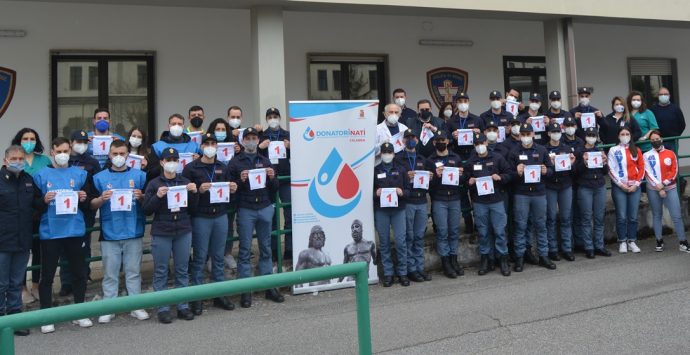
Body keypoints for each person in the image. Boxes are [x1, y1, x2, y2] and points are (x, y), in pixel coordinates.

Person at [32, 137, 91, 333]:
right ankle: (46, 316)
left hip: (74, 230)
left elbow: (87, 202)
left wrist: (83, 197)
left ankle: (80, 312)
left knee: (79, 273)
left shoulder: (80, 174)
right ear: (52, 152)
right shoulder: (41, 175)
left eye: (66, 150)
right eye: (59, 151)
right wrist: (43, 200)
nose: (63, 154)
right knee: (47, 276)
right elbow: (34, 205)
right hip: (51, 232)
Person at [90, 140, 149, 323]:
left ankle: (135, 305)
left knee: (133, 271)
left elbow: (149, 202)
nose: (118, 157)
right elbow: (91, 205)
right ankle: (110, 307)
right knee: (110, 272)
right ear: (109, 155)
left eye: (122, 154)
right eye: (115, 154)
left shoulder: (140, 176)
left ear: (127, 155)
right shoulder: (99, 178)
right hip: (110, 231)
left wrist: (142, 197)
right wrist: (101, 199)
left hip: (133, 229)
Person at [224, 127, 283, 308]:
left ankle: (268, 286)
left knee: (266, 248)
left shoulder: (265, 160)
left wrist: (272, 178)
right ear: (243, 141)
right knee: (245, 250)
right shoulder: (234, 163)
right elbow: (229, 189)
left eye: (253, 138)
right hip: (246, 209)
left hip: (264, 207)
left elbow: (275, 188)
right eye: (247, 138)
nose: (251, 141)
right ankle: (246, 289)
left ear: (258, 140)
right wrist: (240, 181)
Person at [142, 147, 199, 324]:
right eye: (169, 160)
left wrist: (194, 192)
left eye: (175, 160)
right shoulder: (154, 183)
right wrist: (158, 196)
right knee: (161, 270)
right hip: (162, 231)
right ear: (162, 162)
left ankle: (182, 306)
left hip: (182, 229)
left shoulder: (185, 181)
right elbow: (147, 210)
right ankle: (163, 307)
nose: (172, 163)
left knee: (182, 269)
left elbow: (193, 208)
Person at [183, 133, 237, 315]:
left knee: (219, 258)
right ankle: (197, 298)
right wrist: (198, 190)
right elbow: (185, 195)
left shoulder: (223, 166)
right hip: (201, 217)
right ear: (201, 146)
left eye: (213, 143)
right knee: (199, 259)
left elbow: (231, 191)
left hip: (220, 216)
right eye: (207, 143)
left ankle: (219, 295)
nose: (210, 146)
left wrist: (234, 187)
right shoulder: (191, 168)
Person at [0, 145, 41, 336]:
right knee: (1, 283)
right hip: (2, 241)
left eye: (20, 158)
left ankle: (15, 319)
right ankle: (1, 320)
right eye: (14, 159)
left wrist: (46, 201)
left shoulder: (28, 180)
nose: (17, 162)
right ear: (5, 161)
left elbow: (36, 204)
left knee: (17, 282)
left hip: (23, 240)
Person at [507, 123, 556, 272]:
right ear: (520, 136)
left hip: (539, 193)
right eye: (523, 134)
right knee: (520, 226)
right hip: (522, 194)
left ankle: (543, 255)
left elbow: (551, 171)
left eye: (529, 134)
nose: (526, 137)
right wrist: (517, 172)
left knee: (541, 225)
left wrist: (546, 170)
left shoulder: (541, 150)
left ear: (533, 134)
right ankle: (520, 257)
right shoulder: (514, 152)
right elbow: (508, 174)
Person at [10, 128, 51, 304]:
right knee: (22, 252)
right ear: (19, 141)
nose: (29, 141)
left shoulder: (45, 160)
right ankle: (22, 288)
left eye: (32, 138)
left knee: (39, 251)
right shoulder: (15, 160)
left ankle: (36, 285)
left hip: (41, 212)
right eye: (25, 138)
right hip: (21, 215)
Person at [462, 133, 512, 276]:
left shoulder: (497, 158)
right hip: (479, 202)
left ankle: (503, 259)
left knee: (500, 231)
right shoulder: (471, 162)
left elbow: (509, 174)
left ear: (486, 142)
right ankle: (486, 259)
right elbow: (464, 180)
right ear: (474, 146)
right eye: (476, 144)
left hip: (496, 200)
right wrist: (469, 182)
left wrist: (500, 177)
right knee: (483, 233)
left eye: (481, 143)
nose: (479, 146)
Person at [60, 130, 101, 297]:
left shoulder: (92, 162)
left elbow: (97, 183)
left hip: (85, 208)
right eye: (78, 141)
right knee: (64, 246)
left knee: (84, 245)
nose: (81, 144)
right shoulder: (63, 159)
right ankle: (66, 282)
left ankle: (83, 276)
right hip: (65, 208)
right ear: (71, 143)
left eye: (84, 141)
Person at [643, 130, 690, 252]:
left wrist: (663, 185)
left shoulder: (670, 154)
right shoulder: (646, 155)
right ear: (650, 141)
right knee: (657, 215)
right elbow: (648, 173)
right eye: (652, 139)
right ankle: (659, 240)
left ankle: (683, 242)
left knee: (677, 216)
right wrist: (658, 187)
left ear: (661, 139)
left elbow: (674, 171)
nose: (655, 141)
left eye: (657, 138)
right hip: (653, 189)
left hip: (670, 188)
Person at [395, 129, 432, 282]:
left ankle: (419, 267)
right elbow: (395, 179)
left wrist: (431, 176)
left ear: (417, 140)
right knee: (408, 236)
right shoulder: (398, 159)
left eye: (413, 137)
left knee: (419, 236)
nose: (410, 140)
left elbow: (432, 181)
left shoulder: (423, 159)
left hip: (422, 200)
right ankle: (410, 269)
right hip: (408, 202)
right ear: (403, 141)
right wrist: (405, 175)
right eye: (407, 137)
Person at [426, 130, 464, 278]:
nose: (441, 142)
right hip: (439, 199)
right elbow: (428, 184)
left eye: (443, 139)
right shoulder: (430, 160)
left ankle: (454, 260)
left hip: (454, 197)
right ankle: (446, 263)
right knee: (442, 232)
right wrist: (436, 175)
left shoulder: (456, 157)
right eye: (438, 140)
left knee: (454, 231)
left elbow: (463, 180)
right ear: (434, 143)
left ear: (447, 141)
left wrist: (461, 175)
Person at [257, 108, 292, 261]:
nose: (273, 119)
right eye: (270, 117)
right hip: (268, 182)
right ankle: (273, 251)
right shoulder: (261, 136)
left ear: (280, 118)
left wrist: (291, 147)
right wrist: (260, 147)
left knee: (289, 215)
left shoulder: (287, 135)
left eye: (275, 116)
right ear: (266, 119)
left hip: (285, 180)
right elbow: (253, 157)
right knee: (270, 218)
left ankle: (289, 249)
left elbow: (301, 154)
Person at [207, 117, 241, 270]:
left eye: (223, 130)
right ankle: (210, 256)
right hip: (210, 193)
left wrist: (238, 150)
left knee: (228, 225)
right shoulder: (208, 146)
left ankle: (227, 253)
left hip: (228, 192)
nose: (220, 132)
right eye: (217, 129)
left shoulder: (234, 146)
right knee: (210, 226)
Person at [374, 142, 409, 287]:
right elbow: (370, 192)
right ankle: (388, 274)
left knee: (401, 242)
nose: (387, 155)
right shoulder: (375, 171)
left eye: (389, 152)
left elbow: (408, 190)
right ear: (380, 154)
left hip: (398, 210)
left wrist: (402, 192)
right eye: (384, 152)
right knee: (384, 243)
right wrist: (375, 193)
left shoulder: (401, 169)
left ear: (394, 154)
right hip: (382, 211)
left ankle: (403, 273)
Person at [575, 127, 611, 258]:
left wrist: (605, 162)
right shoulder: (579, 151)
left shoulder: (599, 151)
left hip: (599, 187)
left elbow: (605, 172)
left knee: (599, 218)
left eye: (593, 135)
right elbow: (575, 172)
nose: (591, 137)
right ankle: (588, 247)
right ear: (585, 137)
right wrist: (584, 162)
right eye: (589, 135)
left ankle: (599, 246)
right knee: (586, 218)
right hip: (585, 187)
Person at [607, 126, 644, 254]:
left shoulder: (636, 150)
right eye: (622, 134)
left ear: (631, 135)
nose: (625, 136)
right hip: (619, 187)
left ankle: (632, 241)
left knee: (633, 216)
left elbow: (642, 168)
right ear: (618, 136)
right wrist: (620, 184)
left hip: (635, 187)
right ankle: (622, 241)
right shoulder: (613, 150)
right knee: (621, 216)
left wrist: (637, 184)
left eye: (627, 133)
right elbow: (610, 169)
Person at [543, 123, 576, 261]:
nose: (556, 133)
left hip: (565, 185)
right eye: (553, 131)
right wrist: (550, 164)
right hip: (550, 186)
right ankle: (553, 249)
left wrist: (573, 163)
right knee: (550, 218)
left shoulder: (566, 148)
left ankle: (567, 248)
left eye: (558, 131)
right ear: (549, 133)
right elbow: (544, 172)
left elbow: (573, 171)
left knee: (566, 218)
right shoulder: (544, 149)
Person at [148, 113, 201, 183]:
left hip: (189, 184)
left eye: (179, 124)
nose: (177, 126)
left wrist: (198, 161)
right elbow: (151, 173)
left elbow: (202, 169)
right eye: (173, 124)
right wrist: (164, 165)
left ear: (183, 126)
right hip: (165, 185)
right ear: (169, 126)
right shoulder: (157, 147)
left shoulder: (195, 146)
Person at [650, 87, 686, 151]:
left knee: (672, 159)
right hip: (657, 141)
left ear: (669, 96)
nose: (663, 96)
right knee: (659, 160)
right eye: (661, 94)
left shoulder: (675, 109)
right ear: (658, 96)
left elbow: (682, 124)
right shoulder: (653, 109)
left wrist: (675, 135)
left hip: (672, 141)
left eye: (665, 94)